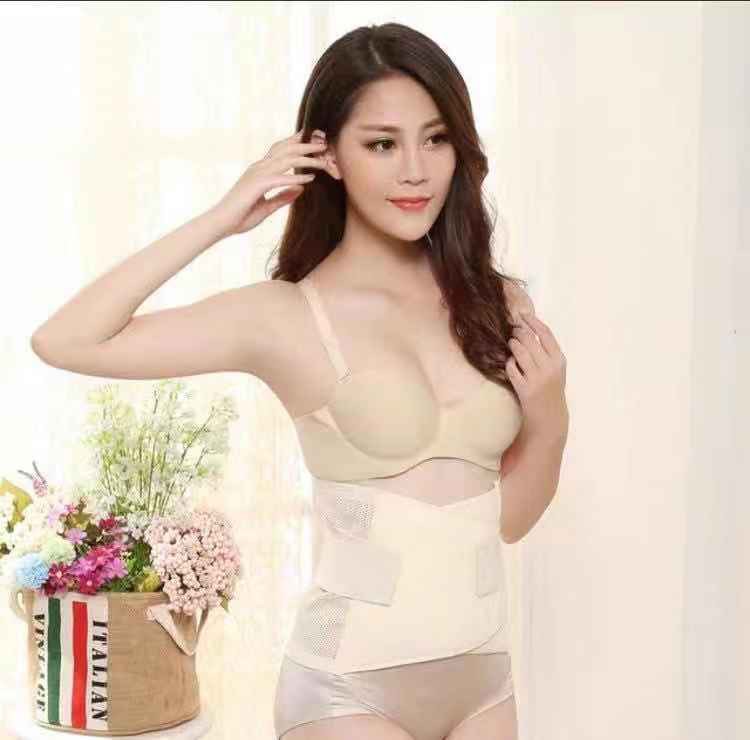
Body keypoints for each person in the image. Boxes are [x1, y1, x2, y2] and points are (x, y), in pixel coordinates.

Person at [30, 21, 568, 740]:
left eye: (435, 139)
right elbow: (65, 339)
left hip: (484, 683)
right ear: (329, 155)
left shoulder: (496, 302)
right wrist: (223, 218)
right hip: (349, 693)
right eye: (382, 144)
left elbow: (509, 521)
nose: (415, 170)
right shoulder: (286, 317)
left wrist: (551, 419)